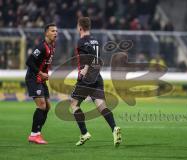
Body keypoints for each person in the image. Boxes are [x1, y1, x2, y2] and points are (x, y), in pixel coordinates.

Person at [70, 17, 122, 147]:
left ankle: (84, 133)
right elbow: (97, 57)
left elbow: (90, 56)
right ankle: (114, 128)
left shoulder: (81, 41)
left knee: (74, 105)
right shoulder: (95, 40)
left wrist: (86, 68)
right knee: (102, 107)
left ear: (80, 27)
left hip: (86, 78)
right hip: (97, 77)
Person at [25, 23, 58, 144]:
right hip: (33, 78)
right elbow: (29, 61)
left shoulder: (53, 46)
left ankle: (37, 133)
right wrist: (41, 72)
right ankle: (34, 135)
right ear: (46, 33)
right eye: (53, 31)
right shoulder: (41, 47)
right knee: (42, 105)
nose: (55, 33)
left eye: (56, 31)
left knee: (48, 107)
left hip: (41, 79)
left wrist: (44, 73)